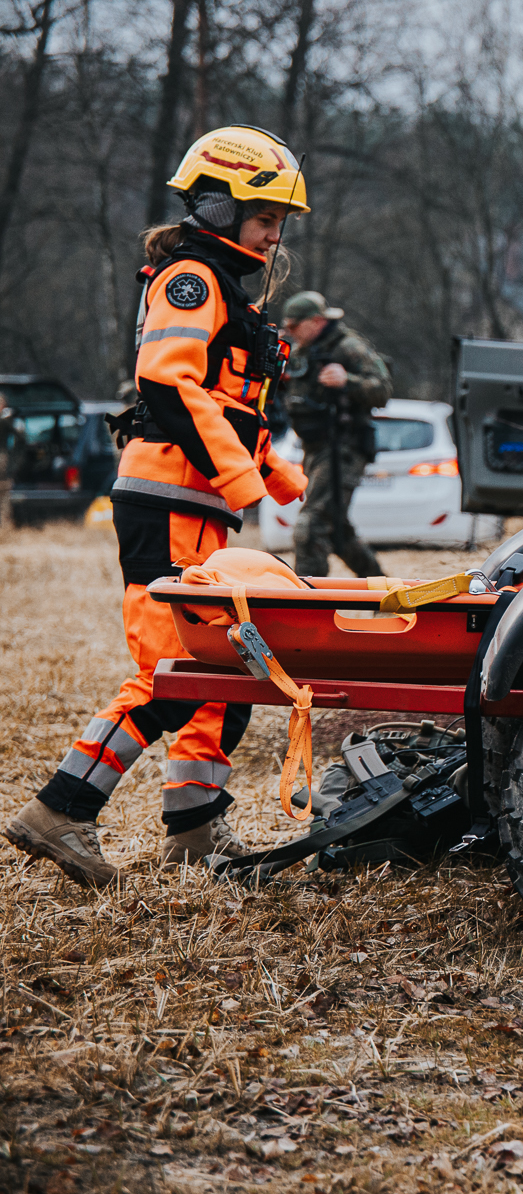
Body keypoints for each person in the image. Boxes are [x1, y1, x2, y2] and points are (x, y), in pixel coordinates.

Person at [5, 125, 309, 886]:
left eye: (280, 223)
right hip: (166, 499)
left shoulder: (228, 291)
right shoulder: (192, 281)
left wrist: (275, 475)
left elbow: (226, 404)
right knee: (171, 671)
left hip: (198, 502)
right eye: (265, 217)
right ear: (216, 205)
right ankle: (61, 811)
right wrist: (244, 481)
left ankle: (193, 828)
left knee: (222, 668)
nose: (274, 236)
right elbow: (170, 388)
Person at [282, 291, 391, 579]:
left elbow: (382, 389)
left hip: (343, 448)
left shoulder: (349, 347)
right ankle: (387, 591)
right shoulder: (300, 353)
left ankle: (306, 607)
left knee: (311, 526)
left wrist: (348, 381)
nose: (290, 332)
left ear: (316, 321)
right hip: (314, 449)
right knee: (338, 532)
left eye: (295, 326)